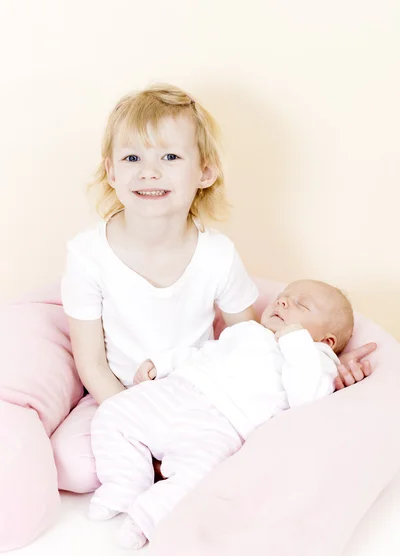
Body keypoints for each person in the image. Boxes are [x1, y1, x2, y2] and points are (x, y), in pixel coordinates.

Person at [52, 83, 376, 494]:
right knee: (74, 465)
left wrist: (327, 365)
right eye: (132, 157)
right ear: (112, 172)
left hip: (198, 397)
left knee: (246, 453)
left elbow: (257, 344)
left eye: (170, 156)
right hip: (116, 393)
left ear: (205, 171)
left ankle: (170, 469)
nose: (148, 171)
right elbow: (92, 364)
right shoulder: (87, 254)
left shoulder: (217, 255)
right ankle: (162, 464)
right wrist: (136, 415)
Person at [89, 279, 354, 549]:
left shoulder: (315, 359)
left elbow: (307, 400)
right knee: (114, 412)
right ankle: (124, 482)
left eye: (301, 304)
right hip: (179, 390)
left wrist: (297, 342)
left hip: (223, 425)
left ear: (327, 340)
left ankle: (145, 518)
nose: (283, 302)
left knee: (200, 476)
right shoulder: (248, 331)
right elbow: (205, 352)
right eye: (283, 297)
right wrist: (162, 363)